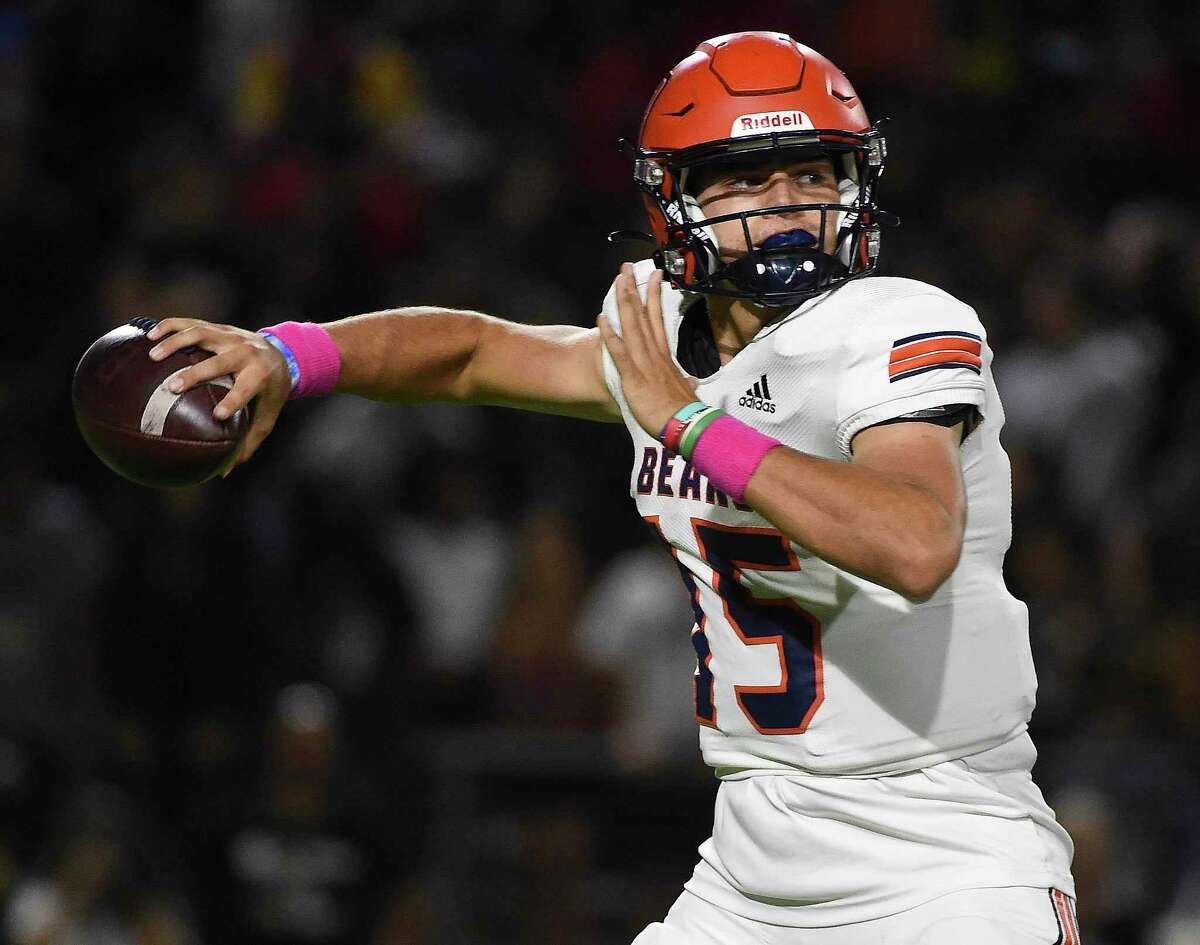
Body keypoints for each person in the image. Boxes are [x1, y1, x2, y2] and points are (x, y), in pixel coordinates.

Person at [143, 31, 1081, 945]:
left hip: (944, 857)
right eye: (752, 177)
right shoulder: (660, 333)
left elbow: (915, 544)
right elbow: (475, 352)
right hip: (755, 859)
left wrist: (694, 422)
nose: (793, 203)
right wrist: (288, 352)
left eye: (815, 172)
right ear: (676, 200)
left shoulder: (897, 323)